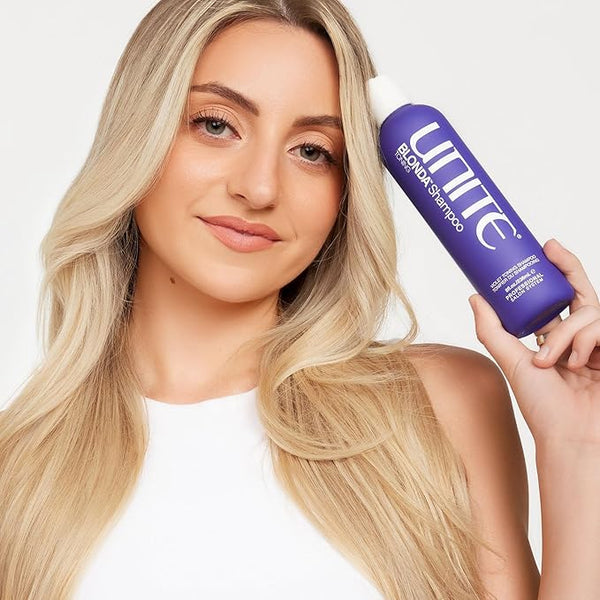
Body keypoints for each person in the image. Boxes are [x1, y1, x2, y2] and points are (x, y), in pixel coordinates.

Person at [0, 0, 598, 598]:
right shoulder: (15, 474)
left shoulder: (442, 403)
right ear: (138, 134)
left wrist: (578, 445)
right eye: (216, 125)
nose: (260, 188)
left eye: (312, 151)